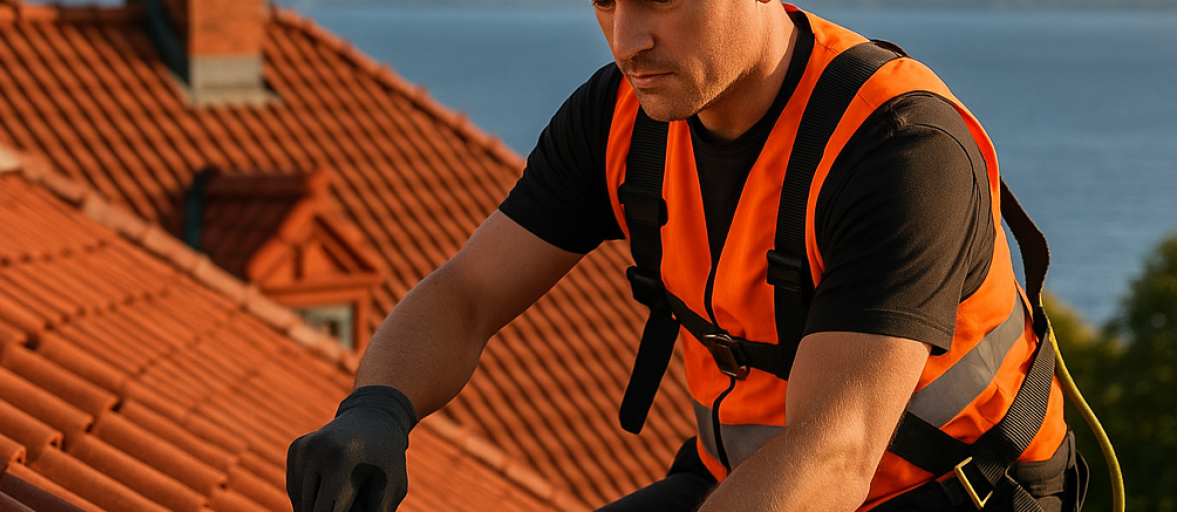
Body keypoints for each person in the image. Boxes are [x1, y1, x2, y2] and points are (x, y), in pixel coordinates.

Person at [286, 1, 1088, 511]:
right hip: (741, 479)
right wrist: (376, 411)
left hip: (946, 487)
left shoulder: (898, 149)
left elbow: (835, 455)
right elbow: (466, 294)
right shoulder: (623, 117)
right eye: (605, 0)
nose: (628, 39)